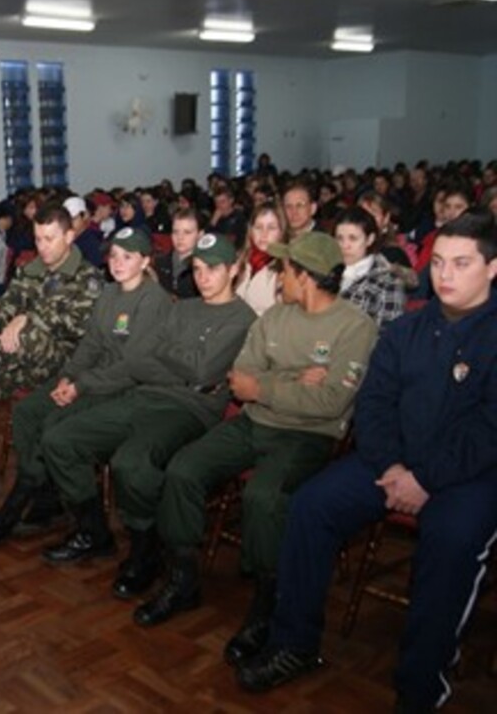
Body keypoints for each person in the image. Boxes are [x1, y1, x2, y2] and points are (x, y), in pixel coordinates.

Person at [235, 213, 497, 714]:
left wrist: (426, 477)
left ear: (492, 268)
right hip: (393, 462)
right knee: (311, 505)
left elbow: (488, 430)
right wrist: (395, 467)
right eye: (438, 262)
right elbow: (374, 405)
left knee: (451, 543)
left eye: (461, 264)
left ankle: (419, 690)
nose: (444, 275)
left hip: (469, 476)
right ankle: (295, 644)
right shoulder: (406, 329)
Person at [134, 233, 378, 667]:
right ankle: (183, 579)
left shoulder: (356, 327)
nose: (278, 275)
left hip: (309, 436)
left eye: (285, 269)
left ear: (305, 277)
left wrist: (266, 386)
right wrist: (293, 380)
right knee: (183, 468)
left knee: (263, 497)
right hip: (254, 422)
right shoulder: (273, 318)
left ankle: (267, 604)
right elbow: (241, 378)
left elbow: (329, 403)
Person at [25, 235, 256, 600]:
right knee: (60, 439)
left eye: (212, 268)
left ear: (235, 270)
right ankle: (94, 531)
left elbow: (204, 371)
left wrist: (172, 361)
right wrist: (179, 366)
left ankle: (145, 548)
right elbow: (141, 360)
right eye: (196, 269)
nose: (203, 277)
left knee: (131, 462)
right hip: (144, 394)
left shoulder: (242, 318)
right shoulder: (183, 308)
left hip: (189, 410)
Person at [0, 227, 172, 549]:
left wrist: (79, 384)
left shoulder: (153, 301)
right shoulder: (109, 292)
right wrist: (68, 376)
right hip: (91, 379)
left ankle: (81, 525)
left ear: (145, 260)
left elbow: (133, 365)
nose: (117, 263)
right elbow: (90, 344)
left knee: (52, 427)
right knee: (27, 412)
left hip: (123, 387)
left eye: (128, 256)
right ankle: (43, 494)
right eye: (114, 255)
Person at [0, 203, 105, 510]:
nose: (42, 247)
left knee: (29, 332)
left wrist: (31, 319)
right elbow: (3, 309)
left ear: (70, 236)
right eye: (37, 239)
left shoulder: (88, 277)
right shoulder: (30, 271)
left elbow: (76, 324)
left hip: (65, 366)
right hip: (20, 362)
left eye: (50, 239)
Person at [334, 206, 406, 329]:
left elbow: (387, 336)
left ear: (370, 239)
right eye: (339, 238)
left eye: (353, 238)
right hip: (321, 345)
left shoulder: (388, 282)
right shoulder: (326, 271)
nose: (345, 246)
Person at [235, 202, 285, 316]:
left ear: (281, 232)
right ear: (251, 230)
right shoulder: (240, 261)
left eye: (271, 228)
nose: (264, 234)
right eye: (258, 227)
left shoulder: (285, 268)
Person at [154, 207, 203, 299]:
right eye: (175, 232)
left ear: (200, 235)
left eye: (187, 232)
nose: (180, 237)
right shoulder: (159, 263)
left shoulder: (205, 269)